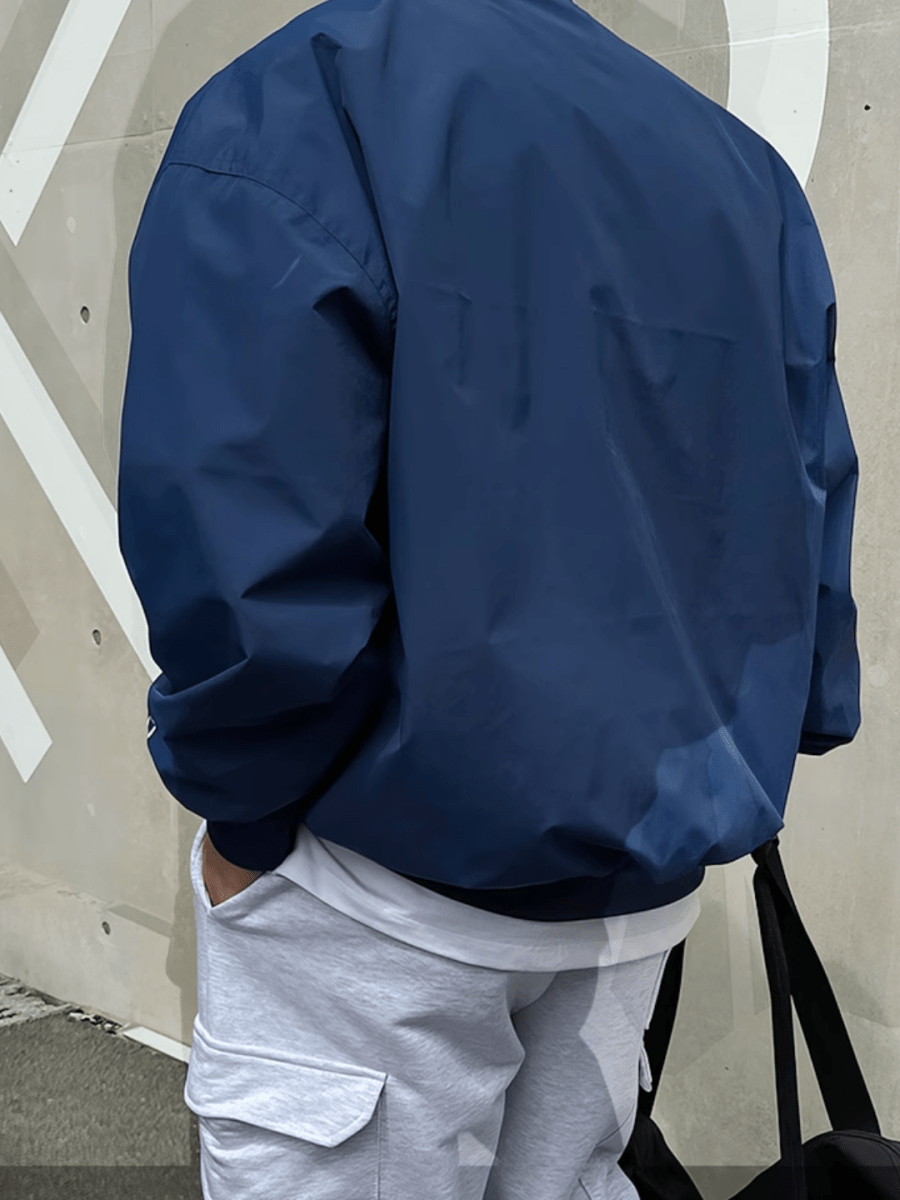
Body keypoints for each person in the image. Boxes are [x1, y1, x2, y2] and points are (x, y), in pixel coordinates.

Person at [116, 0, 861, 1196]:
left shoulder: (299, 106)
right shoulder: (738, 168)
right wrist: (780, 729)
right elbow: (805, 497)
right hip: (634, 892)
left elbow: (238, 534)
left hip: (380, 879)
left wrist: (243, 819)